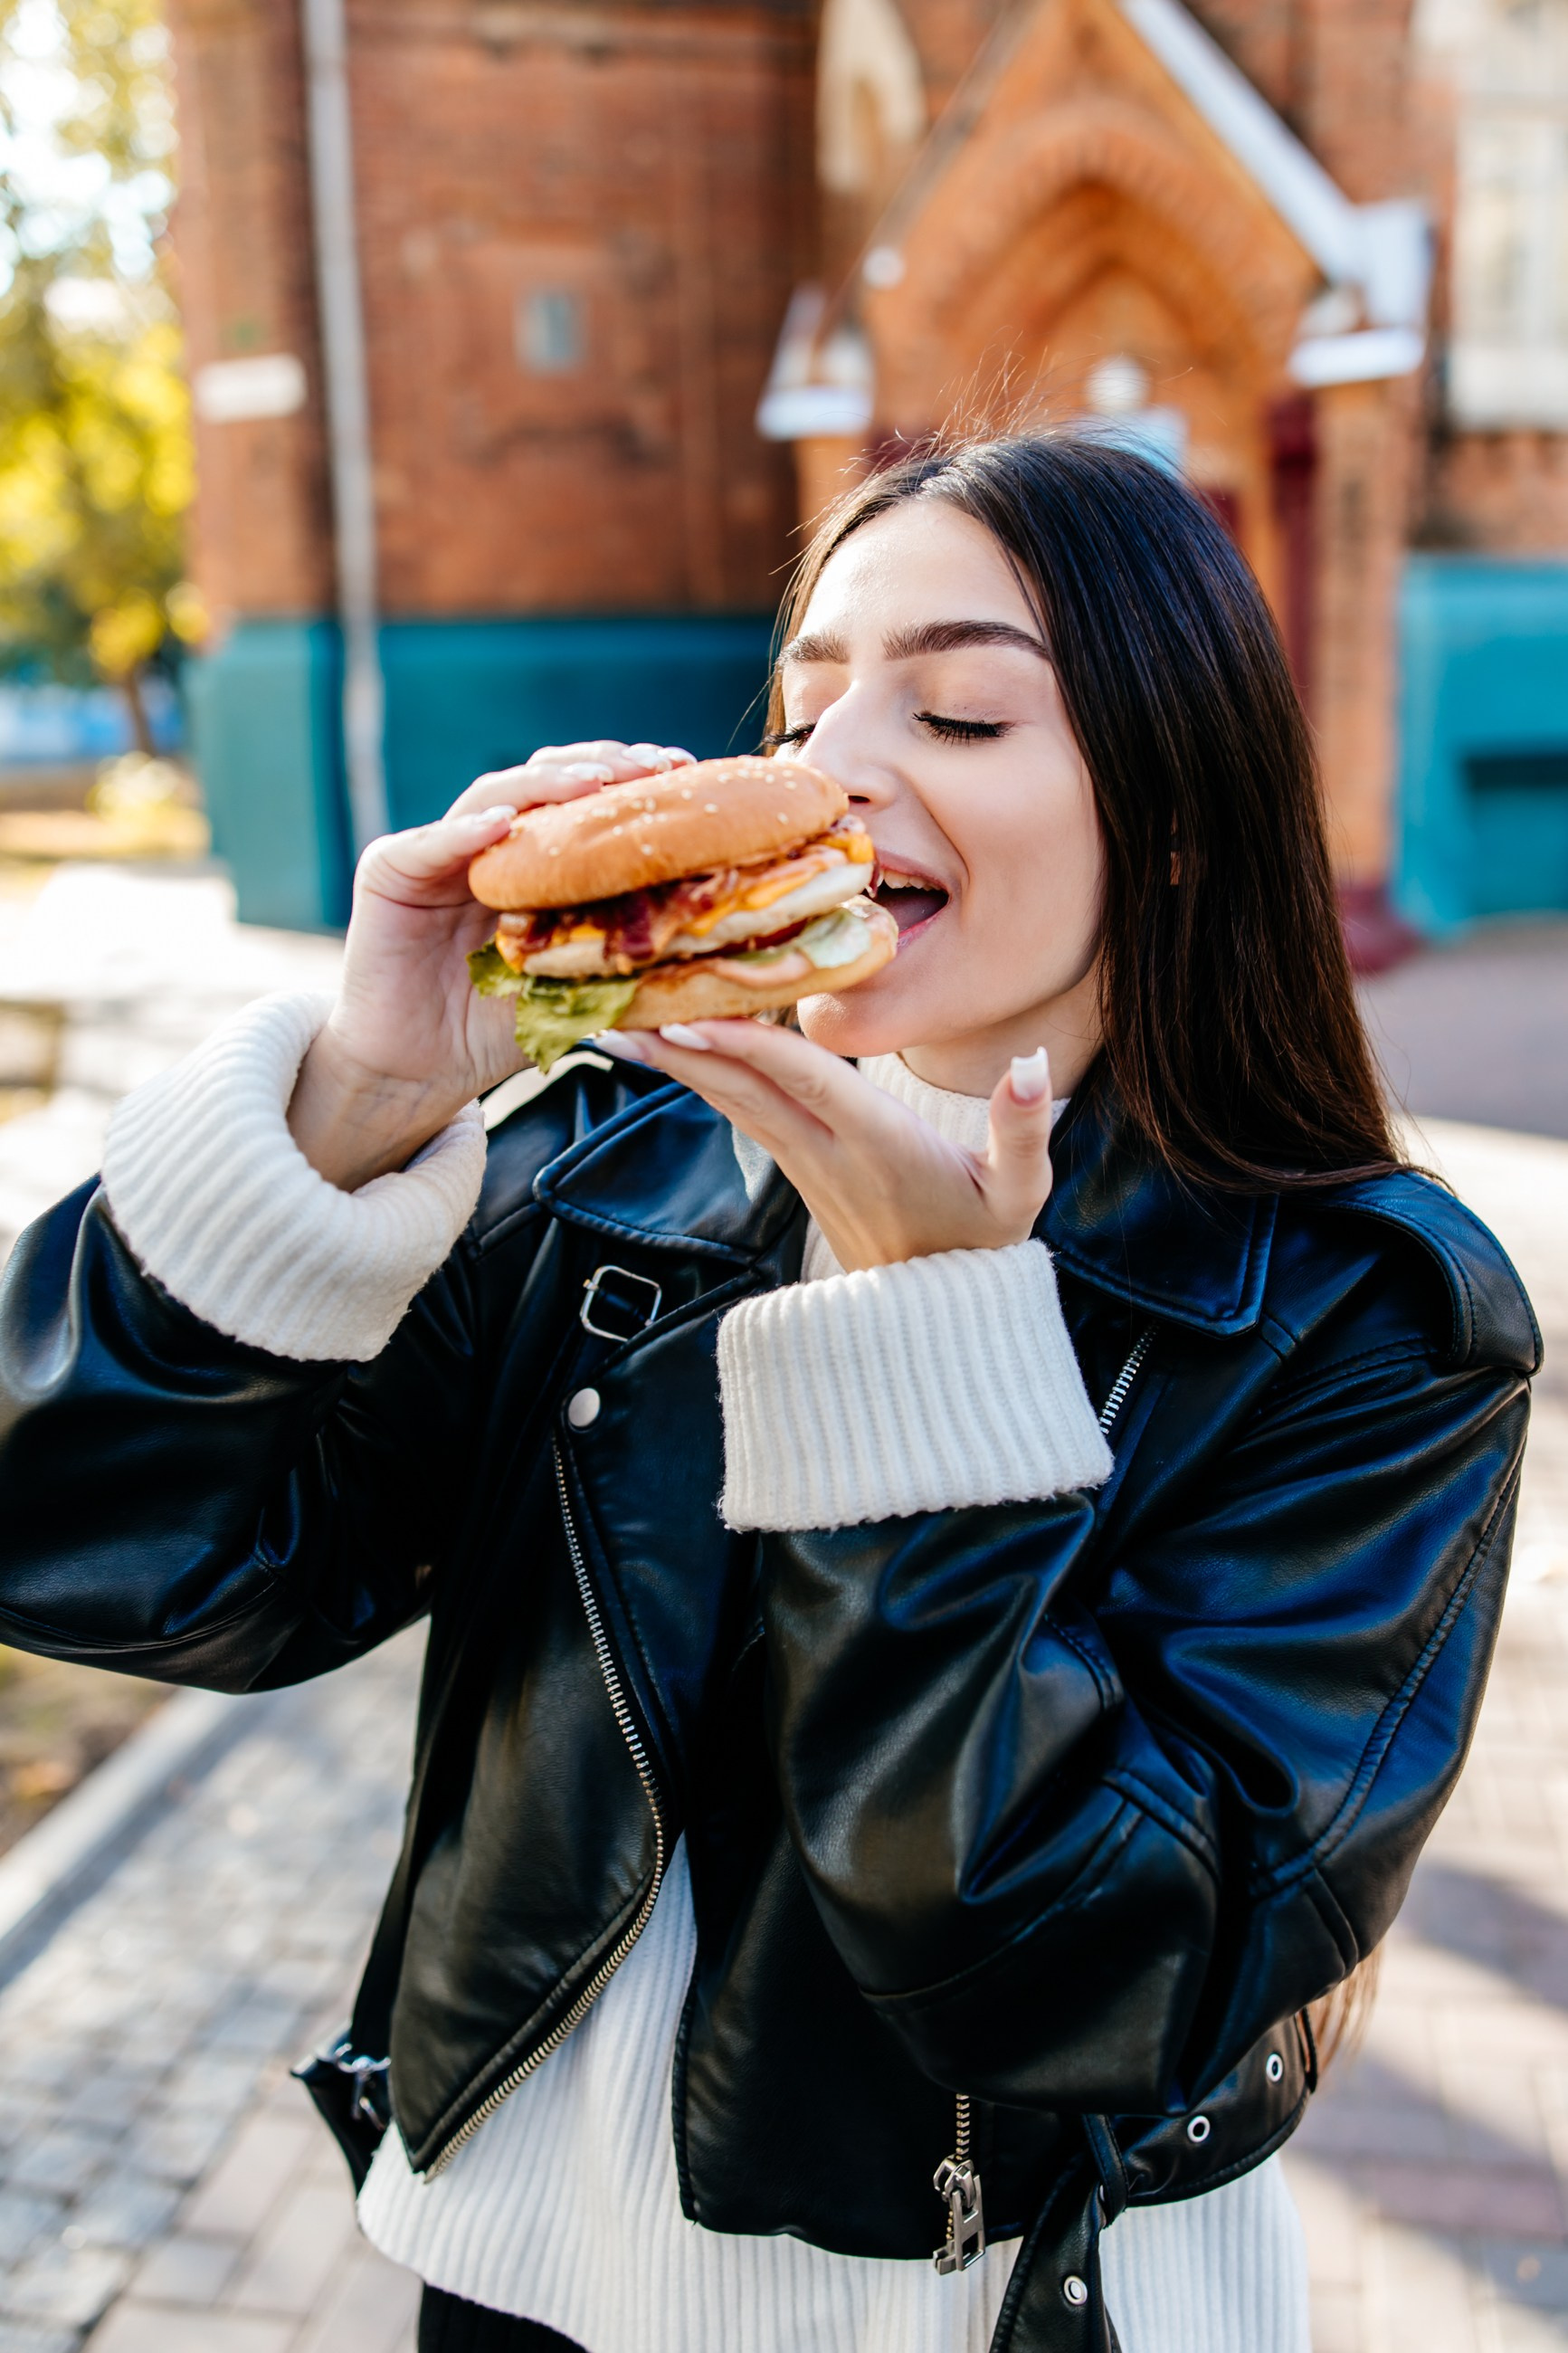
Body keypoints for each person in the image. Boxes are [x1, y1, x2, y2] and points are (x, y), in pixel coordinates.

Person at [0, 434, 1537, 2353]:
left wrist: (929, 1330)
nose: (837, 767)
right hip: (504, 2284)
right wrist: (354, 1102)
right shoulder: (603, 1174)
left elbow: (1079, 1978)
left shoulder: (1366, 1317)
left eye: (963, 710)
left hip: (1002, 2314)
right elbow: (107, 1559)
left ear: (1170, 812)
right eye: (810, 704)